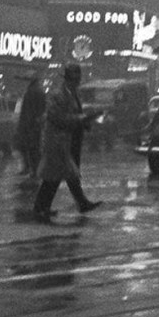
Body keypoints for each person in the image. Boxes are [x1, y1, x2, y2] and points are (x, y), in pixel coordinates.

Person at [32, 62, 101, 222]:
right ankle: (41, 207)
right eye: (74, 78)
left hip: (70, 139)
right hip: (58, 141)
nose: (76, 81)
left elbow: (75, 114)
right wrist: (79, 119)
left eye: (78, 78)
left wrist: (86, 121)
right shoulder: (58, 95)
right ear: (68, 79)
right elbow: (57, 118)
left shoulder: (73, 94)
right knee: (55, 175)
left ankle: (46, 207)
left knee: (66, 173)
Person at [16, 73, 47, 182]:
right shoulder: (39, 91)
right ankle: (34, 170)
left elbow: (28, 111)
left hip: (30, 125)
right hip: (35, 125)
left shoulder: (31, 92)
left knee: (30, 148)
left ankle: (33, 170)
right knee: (34, 148)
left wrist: (27, 125)